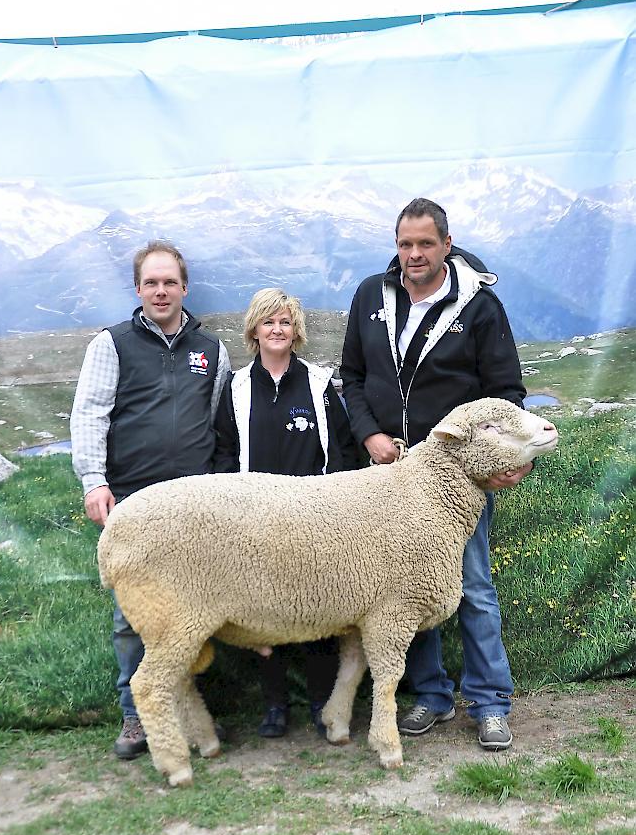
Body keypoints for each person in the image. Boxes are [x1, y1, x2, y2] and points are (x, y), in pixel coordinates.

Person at [340, 197, 531, 751]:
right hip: (389, 473)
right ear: (395, 246)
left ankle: (491, 703)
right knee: (403, 589)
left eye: (425, 244)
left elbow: (507, 397)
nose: (414, 255)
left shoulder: (479, 306)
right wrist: (369, 435)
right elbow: (352, 375)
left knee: (471, 586)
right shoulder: (371, 296)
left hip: (455, 480)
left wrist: (508, 459)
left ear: (447, 244)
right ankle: (430, 694)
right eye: (405, 244)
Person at [71, 240, 230, 759]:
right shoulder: (111, 345)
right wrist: (95, 481)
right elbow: (91, 414)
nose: (161, 292)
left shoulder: (211, 349)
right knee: (133, 615)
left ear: (185, 287)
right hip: (133, 502)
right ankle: (137, 716)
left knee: (195, 610)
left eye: (170, 282)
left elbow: (215, 420)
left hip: (193, 505)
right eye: (151, 283)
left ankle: (188, 713)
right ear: (138, 289)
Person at [214, 287, 359, 738]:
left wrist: (333, 507)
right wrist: (229, 506)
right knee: (263, 616)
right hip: (254, 520)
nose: (277, 330)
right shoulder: (236, 387)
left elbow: (342, 449)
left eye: (285, 322)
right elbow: (223, 450)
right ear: (253, 331)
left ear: (296, 332)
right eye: (268, 322)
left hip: (314, 520)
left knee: (319, 612)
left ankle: (319, 700)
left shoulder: (317, 384)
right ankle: (274, 705)